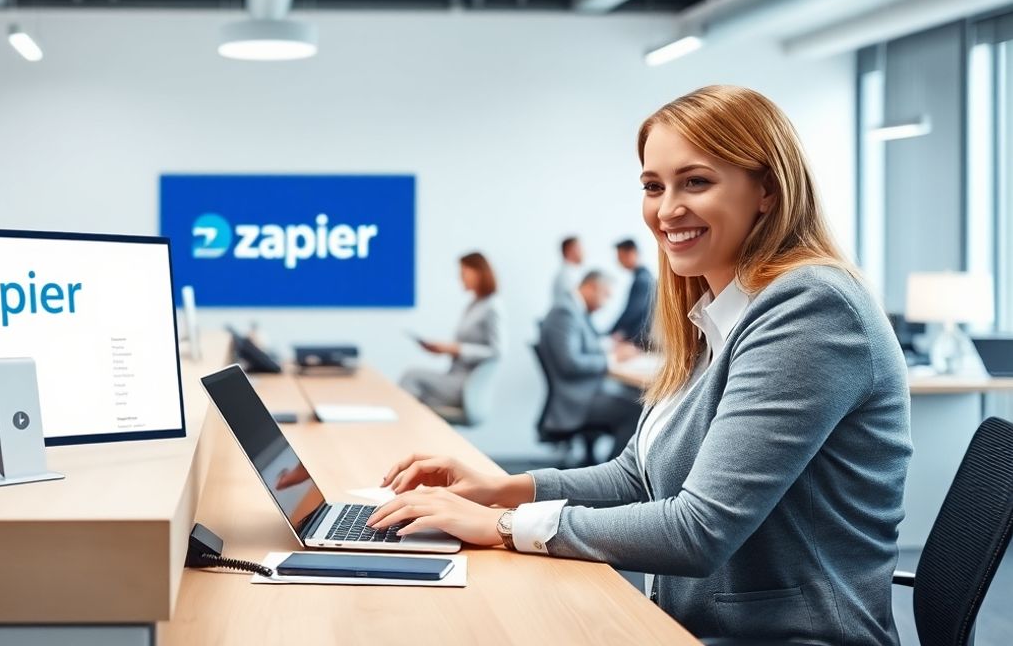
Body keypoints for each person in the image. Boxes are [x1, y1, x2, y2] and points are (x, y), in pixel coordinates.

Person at [369, 85, 911, 645]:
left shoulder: (811, 308)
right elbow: (636, 476)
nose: (667, 208)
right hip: (695, 625)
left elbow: (699, 530)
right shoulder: (718, 315)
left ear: (767, 190)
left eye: (695, 182)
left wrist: (503, 528)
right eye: (654, 187)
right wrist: (501, 489)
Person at [538, 271, 641, 463]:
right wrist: (612, 360)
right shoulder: (565, 311)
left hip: (585, 392)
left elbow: (587, 343)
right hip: (575, 401)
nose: (605, 304)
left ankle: (613, 475)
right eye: (605, 295)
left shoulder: (574, 309)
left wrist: (611, 347)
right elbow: (570, 363)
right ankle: (613, 480)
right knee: (636, 410)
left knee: (634, 400)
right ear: (591, 287)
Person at [400, 252, 504, 412]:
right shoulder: (474, 305)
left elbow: (497, 351)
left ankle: (402, 431)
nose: (460, 278)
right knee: (417, 399)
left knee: (411, 377)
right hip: (453, 375)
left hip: (466, 383)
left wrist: (458, 349)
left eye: (463, 273)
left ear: (478, 273)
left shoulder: (492, 307)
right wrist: (443, 349)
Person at [609, 239, 654, 349]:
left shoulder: (642, 279)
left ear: (631, 253)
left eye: (620, 257)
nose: (618, 261)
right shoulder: (644, 276)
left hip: (639, 339)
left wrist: (611, 331)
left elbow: (633, 311)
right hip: (639, 337)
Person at [552, 236, 584, 304]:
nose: (584, 252)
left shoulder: (572, 272)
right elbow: (576, 302)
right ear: (569, 250)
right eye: (580, 248)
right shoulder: (567, 275)